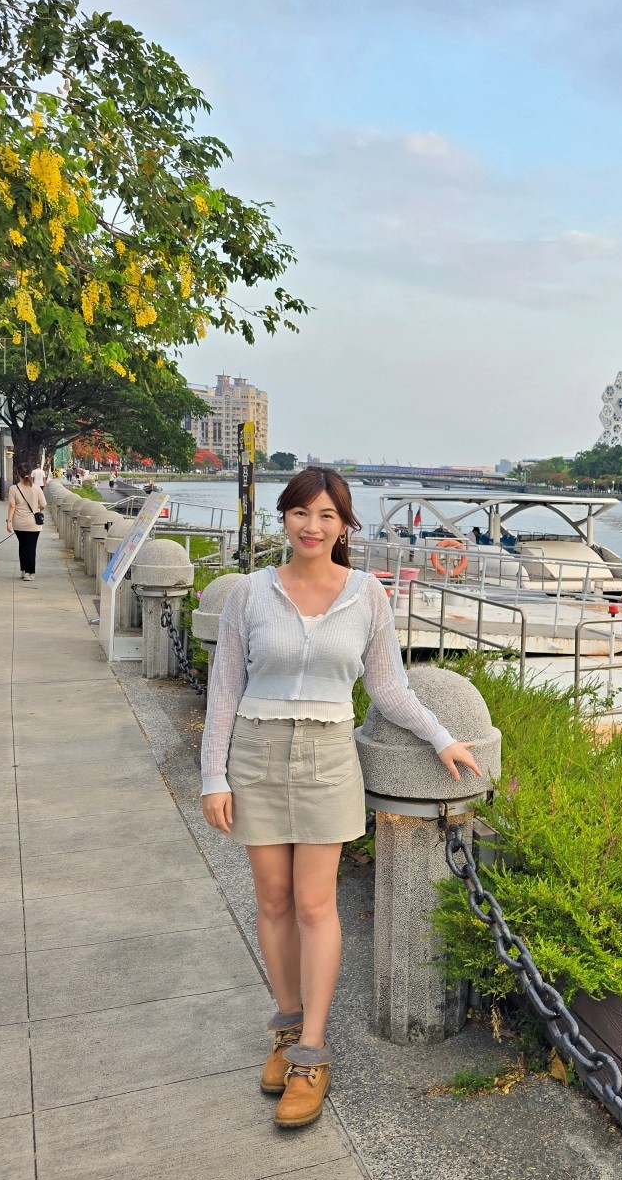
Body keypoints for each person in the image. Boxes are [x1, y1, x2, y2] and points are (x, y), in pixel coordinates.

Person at [199, 467, 482, 1129]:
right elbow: (224, 693)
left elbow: (388, 690)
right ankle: (286, 1025)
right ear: (285, 519)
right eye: (301, 513)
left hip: (328, 755)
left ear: (344, 525)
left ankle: (313, 1053)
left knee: (314, 901)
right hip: (256, 755)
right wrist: (215, 776)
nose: (312, 526)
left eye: (326, 515)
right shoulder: (249, 594)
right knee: (271, 899)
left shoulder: (366, 596)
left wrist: (442, 739)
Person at [5, 462, 45, 581]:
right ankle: (29, 572)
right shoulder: (37, 488)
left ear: (18, 474)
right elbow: (43, 505)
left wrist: (9, 521)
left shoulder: (13, 488)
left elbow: (12, 506)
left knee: (22, 546)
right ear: (30, 474)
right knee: (31, 547)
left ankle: (23, 570)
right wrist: (37, 509)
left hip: (19, 522)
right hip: (33, 524)